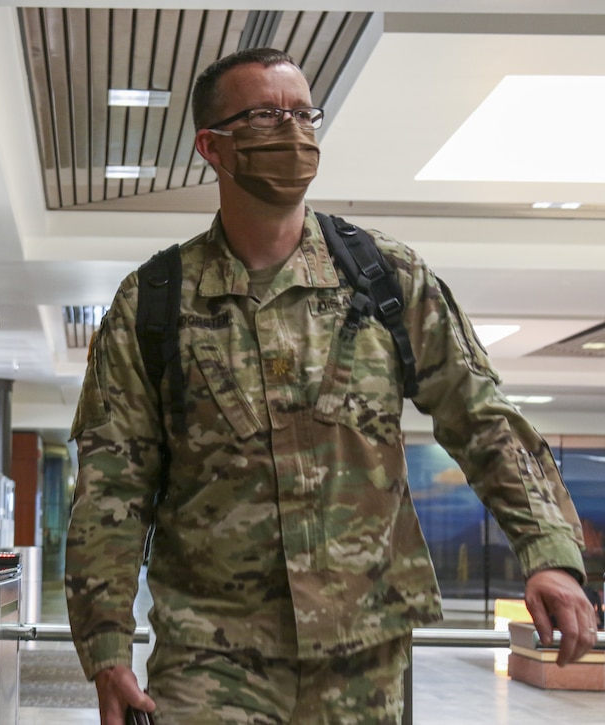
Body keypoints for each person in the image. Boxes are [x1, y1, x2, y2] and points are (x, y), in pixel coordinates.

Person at [65, 47, 597, 724]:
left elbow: (483, 414)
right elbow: (112, 486)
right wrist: (106, 644)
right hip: (213, 652)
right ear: (213, 146)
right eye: (264, 114)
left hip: (364, 653)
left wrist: (549, 553)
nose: (291, 131)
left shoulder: (384, 278)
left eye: (302, 113)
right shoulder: (155, 302)